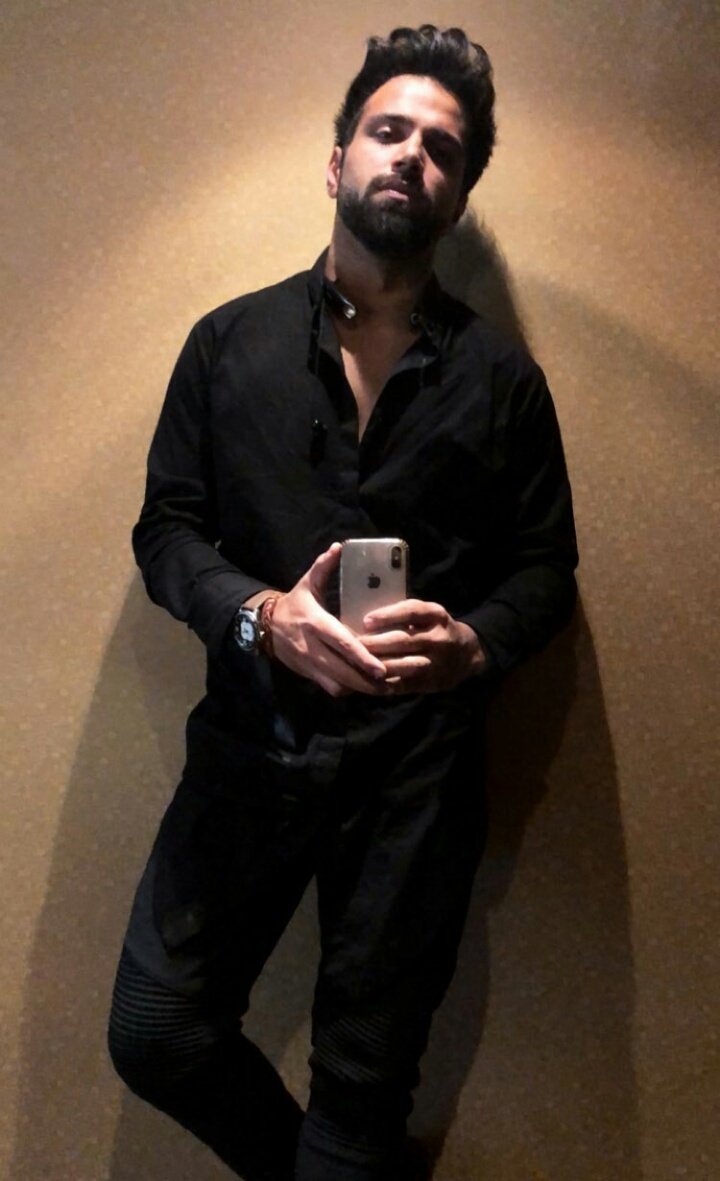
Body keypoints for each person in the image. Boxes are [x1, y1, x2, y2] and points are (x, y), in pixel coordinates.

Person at [108, 23, 578, 1181]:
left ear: (458, 195)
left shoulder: (505, 383)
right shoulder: (226, 346)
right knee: (158, 1030)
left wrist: (472, 645)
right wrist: (261, 615)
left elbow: (544, 567)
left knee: (359, 1107)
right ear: (337, 163)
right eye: (389, 130)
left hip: (415, 786)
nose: (412, 153)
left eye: (442, 148)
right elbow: (167, 530)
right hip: (250, 754)